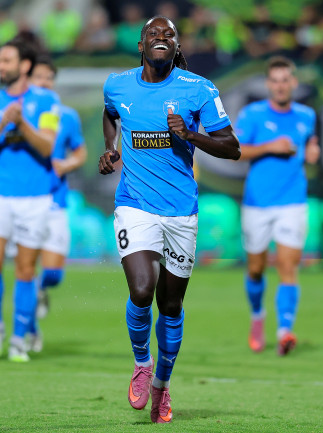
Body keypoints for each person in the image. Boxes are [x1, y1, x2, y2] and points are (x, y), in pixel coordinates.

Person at [98, 16, 240, 423]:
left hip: (181, 212)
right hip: (135, 204)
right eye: (153, 34)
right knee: (142, 289)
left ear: (177, 47)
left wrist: (190, 136)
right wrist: (110, 147)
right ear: (141, 45)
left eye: (169, 35)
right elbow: (110, 113)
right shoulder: (117, 85)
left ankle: (162, 384)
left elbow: (232, 148)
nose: (161, 38)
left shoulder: (199, 89)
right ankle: (142, 363)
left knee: (171, 304)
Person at [0, 39, 60, 362]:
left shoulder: (48, 101)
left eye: (6, 60)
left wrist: (21, 123)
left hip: (35, 197)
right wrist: (2, 123)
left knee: (25, 270)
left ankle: (19, 338)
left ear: (24, 65)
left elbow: (47, 147)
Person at [235, 56, 320, 356]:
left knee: (288, 265)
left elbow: (310, 142)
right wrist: (271, 146)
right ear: (268, 84)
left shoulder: (306, 115)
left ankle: (285, 331)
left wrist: (312, 151)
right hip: (257, 203)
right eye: (275, 81)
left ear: (293, 83)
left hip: (293, 201)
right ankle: (257, 316)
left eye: (286, 80)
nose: (281, 86)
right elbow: (236, 150)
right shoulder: (253, 114)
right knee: (256, 269)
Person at [26, 56, 88, 346]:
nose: (45, 82)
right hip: (24, 201)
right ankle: (28, 331)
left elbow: (80, 152)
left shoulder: (67, 116)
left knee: (52, 273)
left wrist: (67, 164)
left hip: (55, 201)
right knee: (25, 270)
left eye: (49, 78)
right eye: (39, 77)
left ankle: (41, 290)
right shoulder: (18, 114)